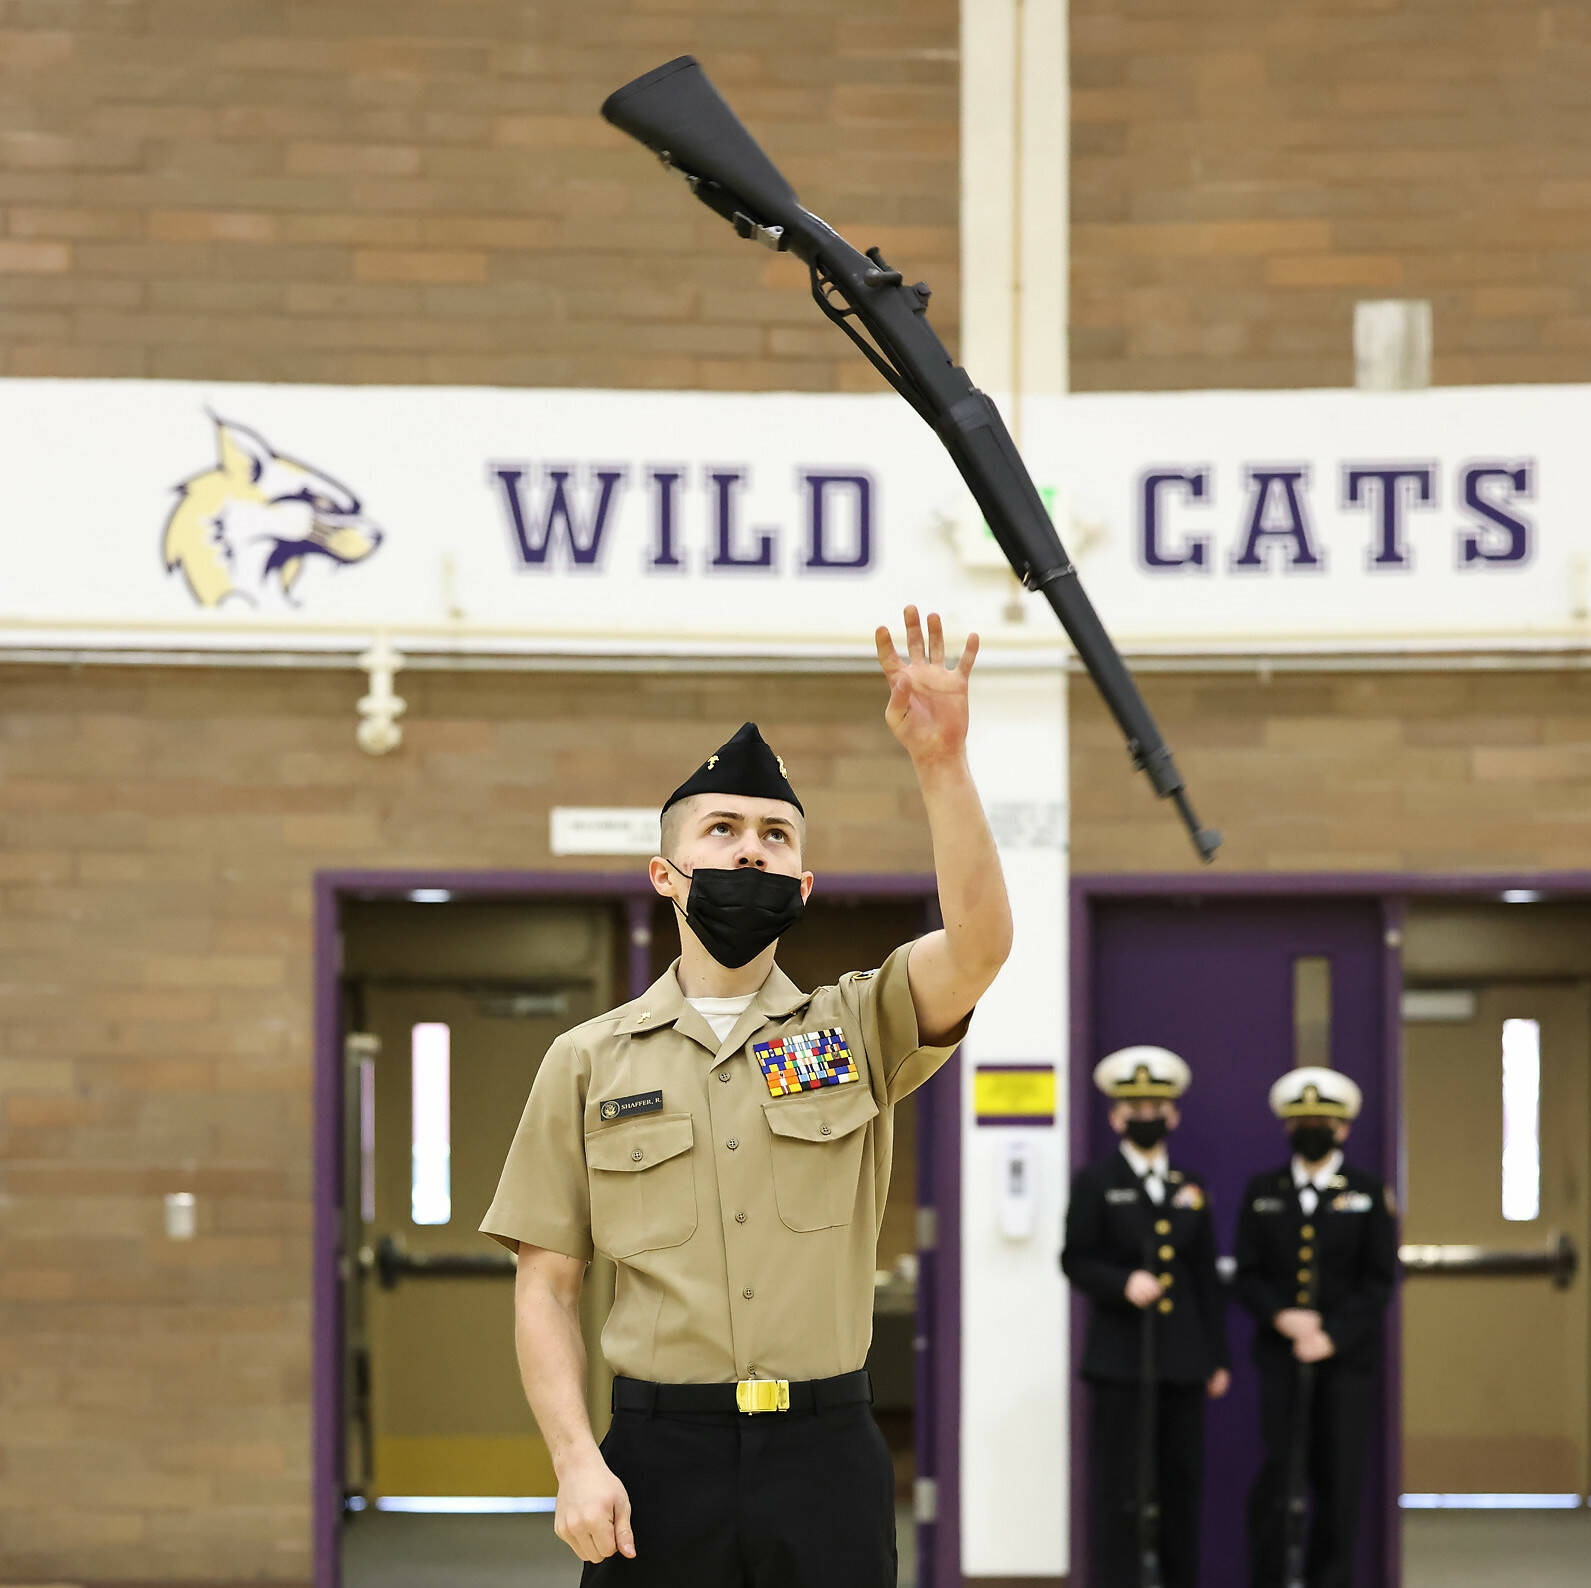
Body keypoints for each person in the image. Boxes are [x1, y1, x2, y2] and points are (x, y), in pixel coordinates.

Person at [480, 606, 1012, 1585]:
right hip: (657, 1459)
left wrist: (942, 764)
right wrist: (573, 1459)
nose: (750, 849)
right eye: (721, 830)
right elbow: (546, 1286)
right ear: (666, 874)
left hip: (825, 1455)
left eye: (775, 835)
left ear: (801, 885)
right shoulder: (587, 1061)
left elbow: (978, 948)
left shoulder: (852, 1030)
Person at [1060, 1046, 1231, 1588]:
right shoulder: (1095, 1182)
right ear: (1117, 1117)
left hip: (1183, 1360)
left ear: (1173, 1116)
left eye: (1156, 1108)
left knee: (1181, 1485)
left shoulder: (1190, 1187)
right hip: (1120, 1360)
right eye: (1134, 1109)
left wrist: (1217, 1357)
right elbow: (1075, 1259)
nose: (1146, 1117)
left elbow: (1205, 1276)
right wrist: (1121, 1282)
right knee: (1121, 1489)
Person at [1234, 1067, 1398, 1588]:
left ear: (1342, 1129)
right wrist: (1281, 1317)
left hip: (1345, 1364)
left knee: (1339, 1483)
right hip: (1280, 1359)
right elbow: (1247, 1273)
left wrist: (1332, 1335)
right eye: (1302, 1123)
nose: (1312, 1131)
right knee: (1278, 1481)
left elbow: (1379, 1279)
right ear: (1287, 1128)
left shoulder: (1368, 1193)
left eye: (1322, 1123)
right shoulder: (1264, 1191)